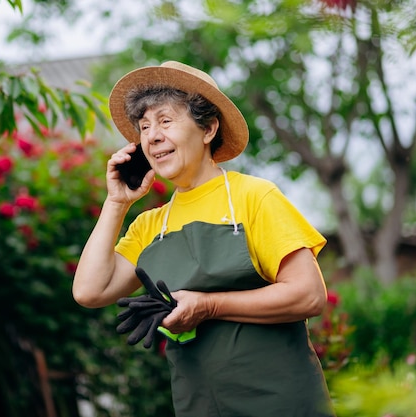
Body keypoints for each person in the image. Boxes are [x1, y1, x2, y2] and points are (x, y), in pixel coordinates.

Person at [72, 60, 335, 417]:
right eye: (144, 127)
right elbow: (89, 291)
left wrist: (208, 305)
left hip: (281, 403)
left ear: (208, 128)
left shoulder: (254, 197)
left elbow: (308, 295)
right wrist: (116, 202)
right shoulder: (151, 225)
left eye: (165, 121)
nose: (151, 136)